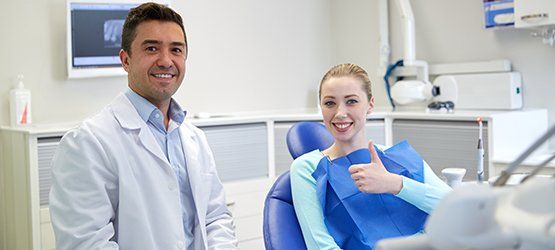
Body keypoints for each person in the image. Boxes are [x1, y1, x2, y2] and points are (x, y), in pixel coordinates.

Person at [49, 3, 238, 249]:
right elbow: (87, 244)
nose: (166, 60)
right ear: (125, 60)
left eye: (176, 50)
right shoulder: (87, 143)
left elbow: (216, 218)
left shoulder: (195, 139)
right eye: (151, 48)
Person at [290, 63, 452, 249]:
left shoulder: (397, 157)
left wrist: (395, 184)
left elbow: (455, 207)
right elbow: (319, 245)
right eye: (330, 103)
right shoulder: (307, 168)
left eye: (351, 101)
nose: (340, 113)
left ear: (370, 105)